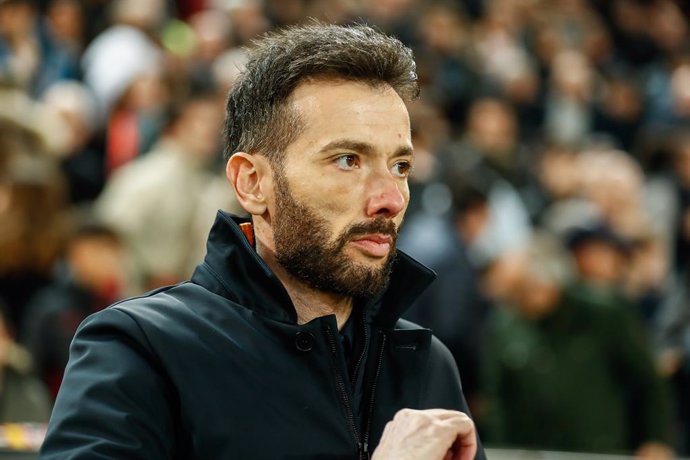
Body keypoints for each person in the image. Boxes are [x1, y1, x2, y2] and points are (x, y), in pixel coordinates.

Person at [40, 22, 485, 460]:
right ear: (252, 182)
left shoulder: (426, 364)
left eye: (401, 166)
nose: (389, 198)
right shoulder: (139, 348)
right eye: (348, 160)